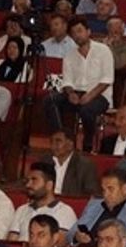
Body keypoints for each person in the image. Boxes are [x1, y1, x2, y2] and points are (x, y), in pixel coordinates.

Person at [44, 18, 115, 151]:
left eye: (80, 31)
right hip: (76, 92)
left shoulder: (103, 50)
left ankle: (88, 141)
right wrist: (71, 93)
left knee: (86, 109)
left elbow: (107, 80)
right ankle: (62, 138)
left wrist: (90, 96)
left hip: (99, 95)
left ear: (88, 32)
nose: (77, 35)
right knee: (50, 100)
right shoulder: (69, 55)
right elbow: (67, 81)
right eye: (74, 33)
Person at [71, 167, 126, 247]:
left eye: (110, 189)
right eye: (103, 190)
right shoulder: (94, 205)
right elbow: (71, 233)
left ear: (125, 189)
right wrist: (76, 237)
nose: (105, 194)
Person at [8, 162, 78, 241]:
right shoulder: (21, 210)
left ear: (49, 185)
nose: (28, 185)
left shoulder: (64, 211)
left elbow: (59, 243)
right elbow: (12, 242)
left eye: (34, 180)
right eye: (28, 180)